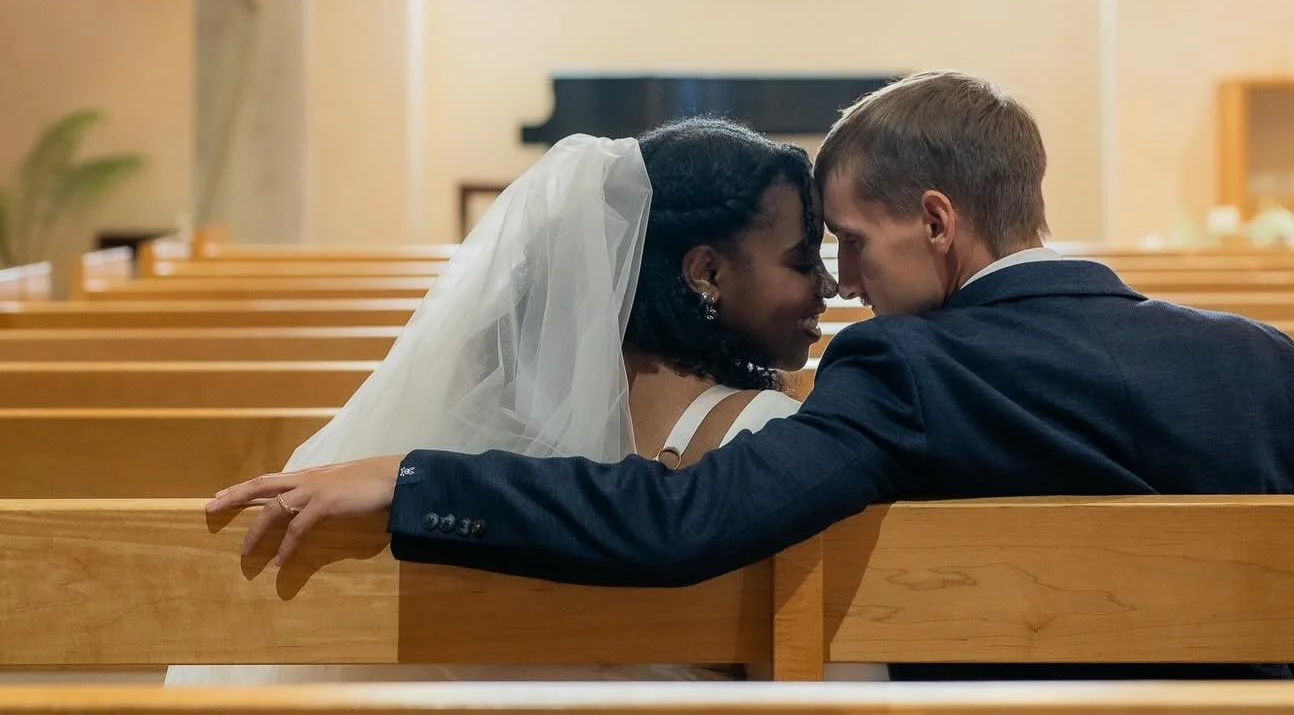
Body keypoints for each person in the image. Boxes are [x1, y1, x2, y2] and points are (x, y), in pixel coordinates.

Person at [212, 69, 1294, 682]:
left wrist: (414, 476)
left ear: (939, 221)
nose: (844, 282)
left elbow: (680, 522)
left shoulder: (903, 366)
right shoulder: (1264, 363)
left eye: (851, 240)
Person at [176, 118, 834, 681]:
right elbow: (843, 673)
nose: (829, 284)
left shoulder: (489, 432)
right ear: (707, 272)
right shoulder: (769, 434)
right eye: (804, 260)